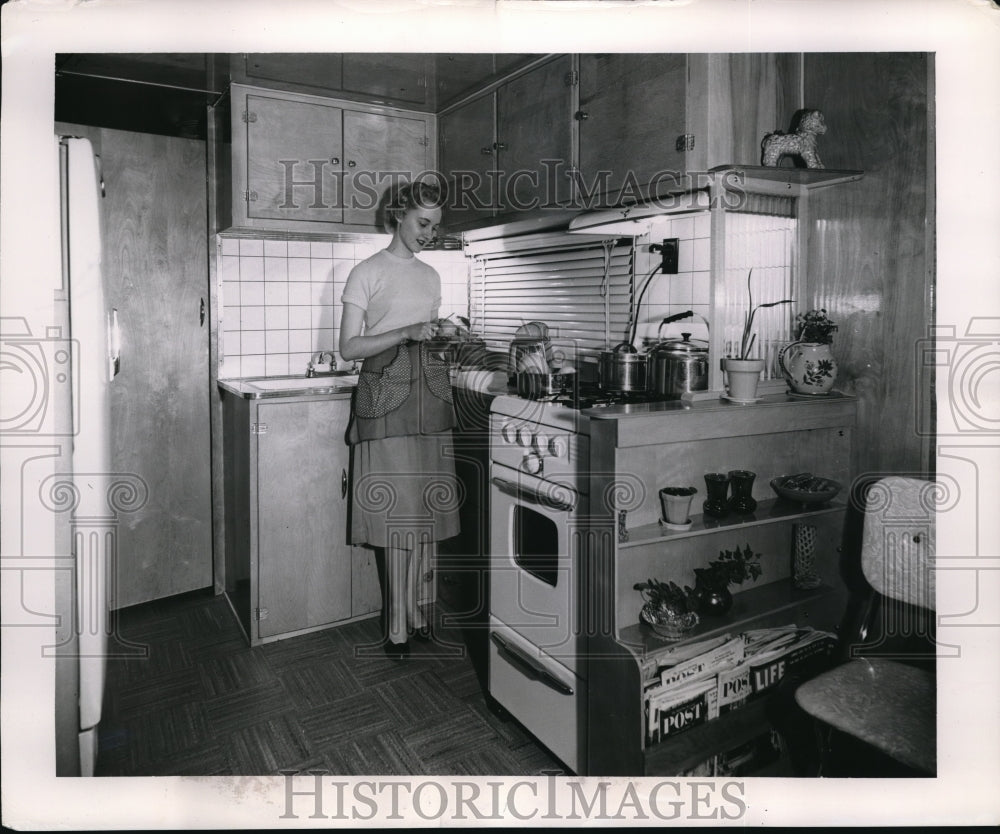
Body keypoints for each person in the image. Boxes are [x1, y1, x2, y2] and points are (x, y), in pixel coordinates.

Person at [339, 180, 459, 659]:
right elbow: (349, 348)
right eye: (422, 223)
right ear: (397, 215)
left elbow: (425, 337)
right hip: (385, 397)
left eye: (436, 225)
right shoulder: (366, 272)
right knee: (395, 516)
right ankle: (396, 627)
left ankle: (414, 614)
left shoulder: (431, 276)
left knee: (422, 512)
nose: (429, 233)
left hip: (429, 394)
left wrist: (441, 333)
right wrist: (406, 330)